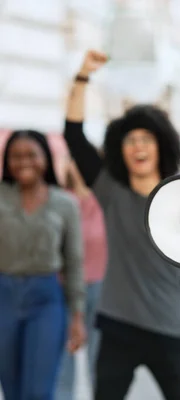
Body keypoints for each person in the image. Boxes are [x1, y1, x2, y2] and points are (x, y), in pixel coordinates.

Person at [63, 50, 180, 400]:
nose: (138, 147)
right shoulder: (109, 190)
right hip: (118, 323)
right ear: (120, 149)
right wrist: (83, 76)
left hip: (170, 324)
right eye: (130, 140)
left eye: (145, 139)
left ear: (160, 146)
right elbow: (73, 135)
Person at [0, 130, 86, 399]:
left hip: (46, 300)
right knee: (11, 389)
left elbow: (73, 262)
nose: (24, 161)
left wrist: (77, 316)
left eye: (31, 155)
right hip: (4, 297)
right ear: (7, 161)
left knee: (38, 391)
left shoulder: (65, 204)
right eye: (16, 156)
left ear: (45, 159)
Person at [56, 159, 108, 399]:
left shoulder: (102, 199)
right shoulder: (59, 200)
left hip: (98, 284)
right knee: (64, 355)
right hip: (64, 286)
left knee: (98, 357)